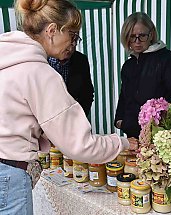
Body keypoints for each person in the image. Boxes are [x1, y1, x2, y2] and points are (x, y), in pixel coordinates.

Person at [0, 1, 138, 214]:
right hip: (10, 173)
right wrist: (122, 143)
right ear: (52, 30)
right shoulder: (39, 73)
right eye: (73, 35)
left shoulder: (7, 58)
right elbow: (80, 145)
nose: (73, 43)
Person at [114, 12, 171, 138]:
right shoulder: (128, 66)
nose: (137, 42)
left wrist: (159, 120)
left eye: (142, 36)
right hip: (132, 135)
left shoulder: (167, 59)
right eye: (132, 37)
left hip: (161, 136)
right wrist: (120, 120)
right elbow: (124, 97)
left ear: (151, 34)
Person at [48, 39, 94, 116]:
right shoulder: (40, 58)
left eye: (76, 39)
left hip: (72, 120)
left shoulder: (80, 60)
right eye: (71, 37)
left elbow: (87, 94)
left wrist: (79, 118)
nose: (74, 44)